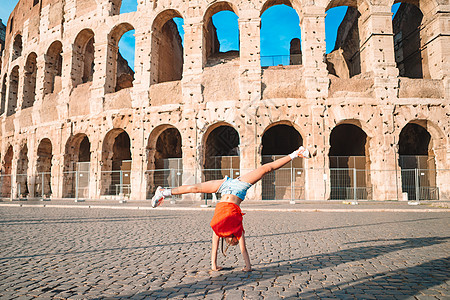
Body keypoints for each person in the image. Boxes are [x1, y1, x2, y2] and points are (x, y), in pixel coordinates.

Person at [151, 146, 316, 271]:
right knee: (267, 169)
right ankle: (296, 153)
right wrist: (247, 267)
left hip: (225, 187)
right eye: (236, 242)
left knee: (195, 188)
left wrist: (215, 266)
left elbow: (216, 248)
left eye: (233, 243)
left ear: (228, 241)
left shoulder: (219, 229)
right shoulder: (237, 230)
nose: (235, 242)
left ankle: (164, 192)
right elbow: (243, 250)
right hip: (238, 187)